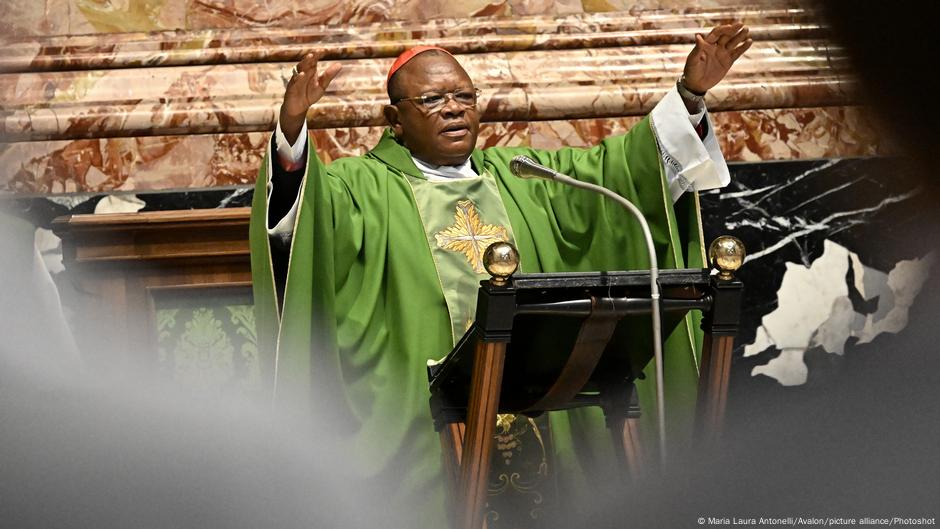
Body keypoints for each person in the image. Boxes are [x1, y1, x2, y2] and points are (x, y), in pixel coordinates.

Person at [249, 24, 751, 526]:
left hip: (540, 409)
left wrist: (689, 95)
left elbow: (619, 171)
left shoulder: (522, 174)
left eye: (464, 95)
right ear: (393, 120)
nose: (454, 108)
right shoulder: (359, 188)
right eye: (432, 99)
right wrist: (293, 128)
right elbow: (301, 218)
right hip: (427, 432)